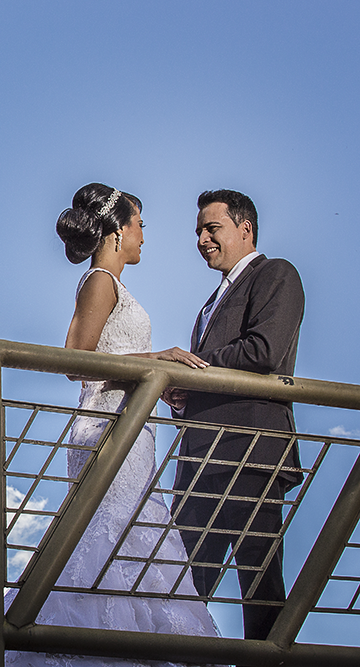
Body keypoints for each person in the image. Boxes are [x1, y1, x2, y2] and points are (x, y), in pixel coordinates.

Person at [0, 183, 218, 667]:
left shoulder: (111, 283)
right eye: (139, 225)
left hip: (127, 428)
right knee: (115, 530)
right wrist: (160, 360)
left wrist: (156, 380)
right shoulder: (100, 282)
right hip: (109, 429)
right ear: (116, 231)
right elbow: (75, 360)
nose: (143, 238)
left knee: (132, 529)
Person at [166, 190, 305, 641]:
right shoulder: (209, 303)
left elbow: (264, 350)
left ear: (245, 229)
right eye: (199, 232)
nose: (203, 240)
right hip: (200, 457)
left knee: (259, 582)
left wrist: (193, 368)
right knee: (182, 582)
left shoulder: (277, 274)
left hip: (251, 452)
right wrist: (184, 393)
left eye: (212, 228)